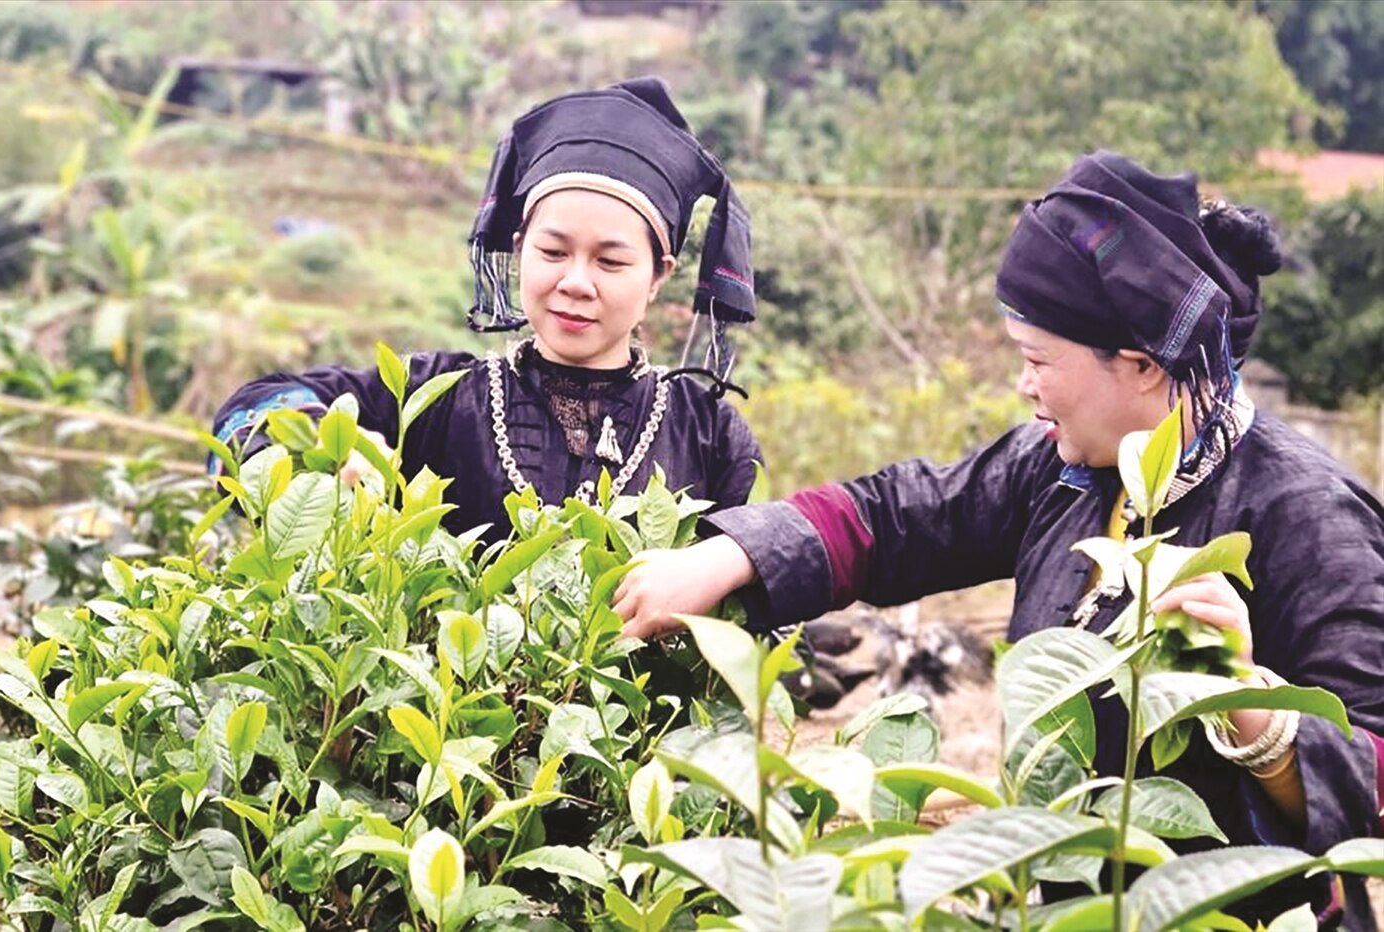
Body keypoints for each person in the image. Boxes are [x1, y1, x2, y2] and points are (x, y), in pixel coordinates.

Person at [613, 151, 1384, 929]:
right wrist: (726, 554)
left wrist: (1249, 704)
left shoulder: (1309, 515)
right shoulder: (1059, 468)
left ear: (1144, 366)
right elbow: (896, 518)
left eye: (1038, 360)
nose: (1025, 386)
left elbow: (1373, 774)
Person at [211, 78, 762, 543]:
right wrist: (314, 447)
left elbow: (739, 608)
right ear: (519, 248)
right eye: (552, 252)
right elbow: (240, 423)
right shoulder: (434, 398)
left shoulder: (708, 433)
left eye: (610, 262)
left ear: (658, 276)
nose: (575, 282)